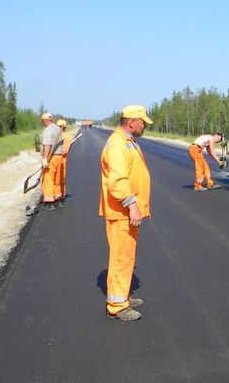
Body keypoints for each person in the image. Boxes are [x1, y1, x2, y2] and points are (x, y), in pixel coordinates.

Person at [99, 105, 152, 321]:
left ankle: (123, 296)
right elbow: (117, 180)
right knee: (121, 257)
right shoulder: (118, 144)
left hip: (125, 212)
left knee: (127, 256)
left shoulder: (127, 141)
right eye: (143, 122)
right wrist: (132, 205)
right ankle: (117, 306)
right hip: (122, 211)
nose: (145, 126)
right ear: (131, 122)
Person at [39, 113, 65, 210]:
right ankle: (58, 200)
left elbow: (47, 145)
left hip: (51, 157)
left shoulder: (47, 130)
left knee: (48, 179)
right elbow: (61, 144)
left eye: (42, 121)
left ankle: (49, 203)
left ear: (44, 120)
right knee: (57, 179)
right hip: (59, 158)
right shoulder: (58, 129)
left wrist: (45, 158)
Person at [56, 119, 72, 207]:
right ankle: (56, 196)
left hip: (62, 162)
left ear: (63, 127)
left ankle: (61, 196)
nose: (57, 128)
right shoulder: (57, 135)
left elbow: (64, 151)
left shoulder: (66, 137)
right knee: (55, 180)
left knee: (60, 180)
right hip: (55, 161)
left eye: (59, 127)